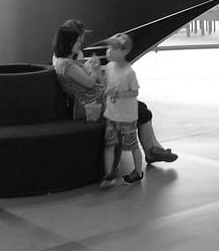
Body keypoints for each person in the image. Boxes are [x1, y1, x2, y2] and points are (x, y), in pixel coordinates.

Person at [51, 20, 177, 165]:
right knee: (141, 110)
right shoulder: (66, 64)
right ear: (68, 42)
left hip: (91, 99)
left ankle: (153, 149)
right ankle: (152, 151)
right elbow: (90, 82)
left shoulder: (64, 61)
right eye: (77, 40)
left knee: (141, 108)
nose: (80, 43)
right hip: (88, 104)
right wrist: (96, 68)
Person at [99, 33, 145, 187]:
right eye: (108, 47)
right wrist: (98, 73)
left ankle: (138, 171)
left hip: (127, 117)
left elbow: (135, 92)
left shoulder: (129, 72)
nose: (109, 51)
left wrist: (117, 93)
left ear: (124, 51)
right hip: (112, 114)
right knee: (109, 144)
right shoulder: (110, 66)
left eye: (114, 48)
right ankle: (108, 175)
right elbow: (106, 85)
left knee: (132, 145)